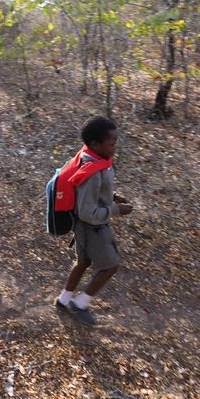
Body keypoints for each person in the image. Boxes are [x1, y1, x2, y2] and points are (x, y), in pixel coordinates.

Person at [54, 116, 133, 325]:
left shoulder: (95, 159)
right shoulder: (93, 172)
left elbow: (94, 193)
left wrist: (113, 196)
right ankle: (79, 304)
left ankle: (63, 299)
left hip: (87, 226)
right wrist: (116, 209)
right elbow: (88, 211)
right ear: (96, 144)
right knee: (110, 266)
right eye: (112, 143)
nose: (115, 147)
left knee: (83, 261)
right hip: (92, 227)